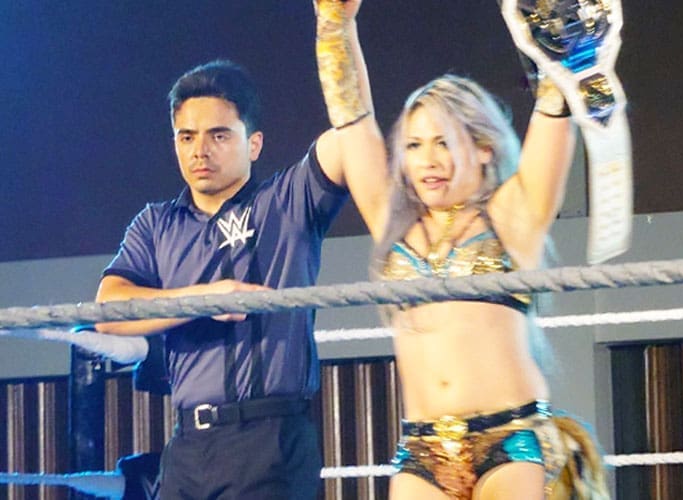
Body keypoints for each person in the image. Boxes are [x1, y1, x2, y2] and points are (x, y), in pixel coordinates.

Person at [314, 1, 610, 499]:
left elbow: (551, 113)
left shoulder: (512, 216)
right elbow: (351, 118)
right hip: (423, 448)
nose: (427, 160)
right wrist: (334, 23)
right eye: (413, 146)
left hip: (509, 438)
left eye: (443, 143)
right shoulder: (393, 221)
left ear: (483, 147)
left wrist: (561, 49)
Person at [94, 57, 363, 499]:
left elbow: (350, 134)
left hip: (270, 439)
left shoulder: (286, 202)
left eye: (218, 135)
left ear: (254, 144)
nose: (200, 150)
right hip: (186, 444)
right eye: (187, 136)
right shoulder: (155, 224)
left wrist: (337, 32)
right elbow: (108, 312)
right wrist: (203, 300)